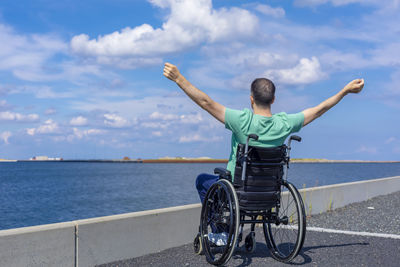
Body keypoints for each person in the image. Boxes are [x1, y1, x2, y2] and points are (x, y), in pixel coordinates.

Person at [163, 62, 364, 243]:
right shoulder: (285, 123)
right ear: (273, 99)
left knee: (202, 180)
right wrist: (344, 91)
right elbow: (319, 109)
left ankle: (221, 231)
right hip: (268, 193)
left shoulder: (242, 121)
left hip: (237, 191)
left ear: (251, 99)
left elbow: (206, 102)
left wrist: (179, 78)